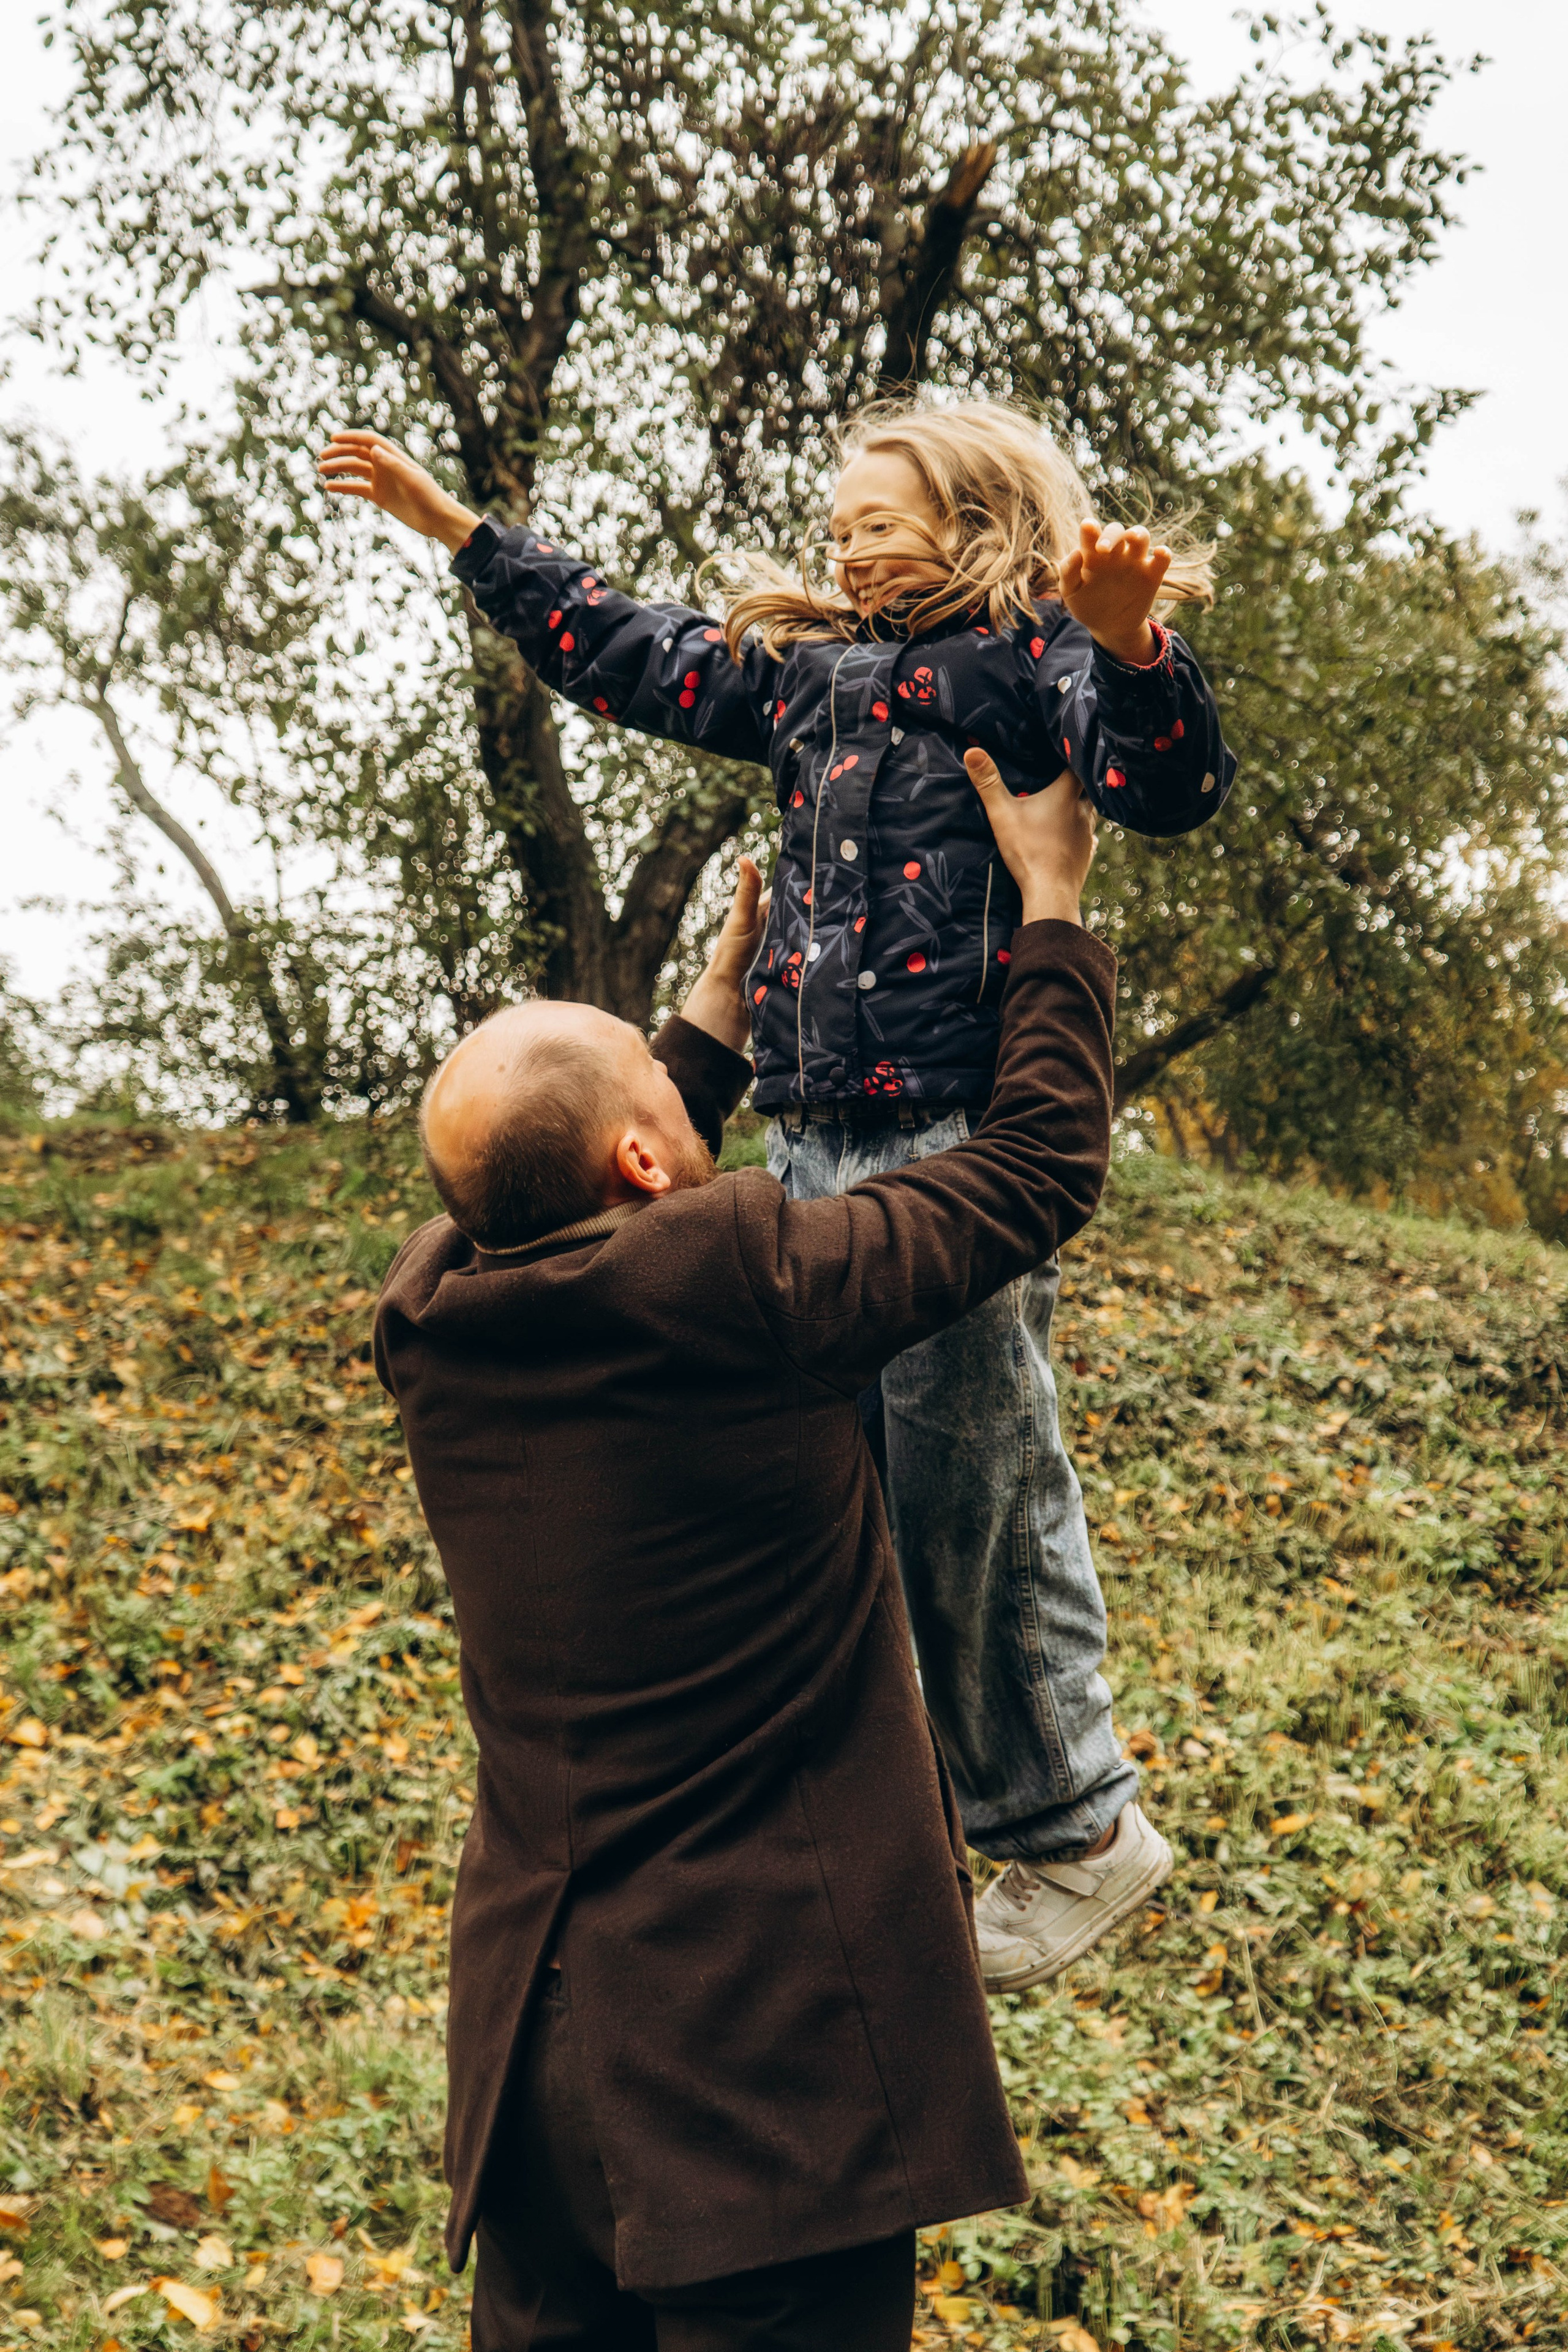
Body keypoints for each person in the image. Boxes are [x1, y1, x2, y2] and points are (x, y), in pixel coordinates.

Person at [323, 400, 1233, 1986]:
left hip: (959, 1114)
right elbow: (622, 646)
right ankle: (928, 1806)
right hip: (811, 1123)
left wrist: (1131, 644)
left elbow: (1164, 789)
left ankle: (1076, 1825)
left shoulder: (1036, 663)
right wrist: (458, 533)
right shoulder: (803, 678)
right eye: (842, 516)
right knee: (858, 1484)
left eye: (883, 518)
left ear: (978, 523)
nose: (849, 537)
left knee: (975, 1463)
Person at [372, 751, 1113, 2350]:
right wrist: (1053, 908)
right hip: (759, 2090)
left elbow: (544, 1187)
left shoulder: (428, 1323)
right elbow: (1041, 1167)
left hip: (537, 2087)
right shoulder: (741, 1277)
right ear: (649, 1163)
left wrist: (698, 1023)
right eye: (657, 1091)